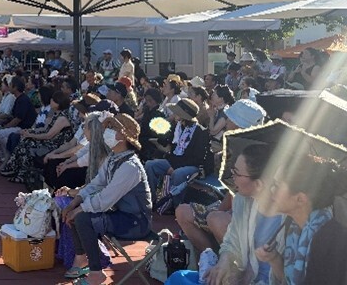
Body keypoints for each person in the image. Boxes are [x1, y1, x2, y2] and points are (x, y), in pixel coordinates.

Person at [167, 144, 284, 285]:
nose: (232, 176)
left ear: (258, 184)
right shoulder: (243, 201)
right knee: (178, 278)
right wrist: (223, 264)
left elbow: (292, 277)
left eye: (237, 173)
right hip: (244, 280)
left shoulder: (287, 220)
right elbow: (231, 242)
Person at [60, 113, 152, 284]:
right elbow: (96, 184)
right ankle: (81, 260)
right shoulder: (113, 158)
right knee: (76, 212)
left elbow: (106, 198)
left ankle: (96, 273)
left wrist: (79, 209)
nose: (106, 131)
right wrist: (75, 202)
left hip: (136, 222)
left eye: (112, 128)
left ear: (123, 136)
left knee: (82, 218)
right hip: (121, 215)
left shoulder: (130, 167)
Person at [257, 154, 347, 284]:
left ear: (300, 199)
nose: (271, 189)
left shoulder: (331, 239)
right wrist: (274, 259)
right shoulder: (293, 226)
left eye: (277, 185)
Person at [145, 99, 213, 208]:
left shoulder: (201, 132)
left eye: (177, 112)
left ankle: (176, 205)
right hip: (174, 161)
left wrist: (175, 166)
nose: (174, 114)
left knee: (178, 173)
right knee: (150, 165)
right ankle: (153, 200)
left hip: (191, 166)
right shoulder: (178, 127)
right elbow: (169, 145)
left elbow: (197, 158)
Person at [0, 76, 37, 164]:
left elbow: (18, 119)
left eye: (11, 85)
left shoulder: (23, 100)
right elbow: (13, 116)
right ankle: (4, 154)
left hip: (23, 128)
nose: (9, 86)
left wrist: (5, 127)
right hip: (18, 126)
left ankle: (9, 156)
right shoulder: (18, 99)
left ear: (15, 87)